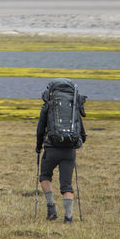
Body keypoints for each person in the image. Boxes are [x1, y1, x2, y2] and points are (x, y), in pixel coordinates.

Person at [36, 81, 86, 223]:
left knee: (45, 176)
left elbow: (40, 129)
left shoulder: (49, 105)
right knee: (66, 186)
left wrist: (38, 146)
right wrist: (75, 145)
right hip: (69, 151)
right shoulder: (74, 106)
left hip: (51, 149)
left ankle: (51, 208)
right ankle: (68, 219)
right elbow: (82, 133)